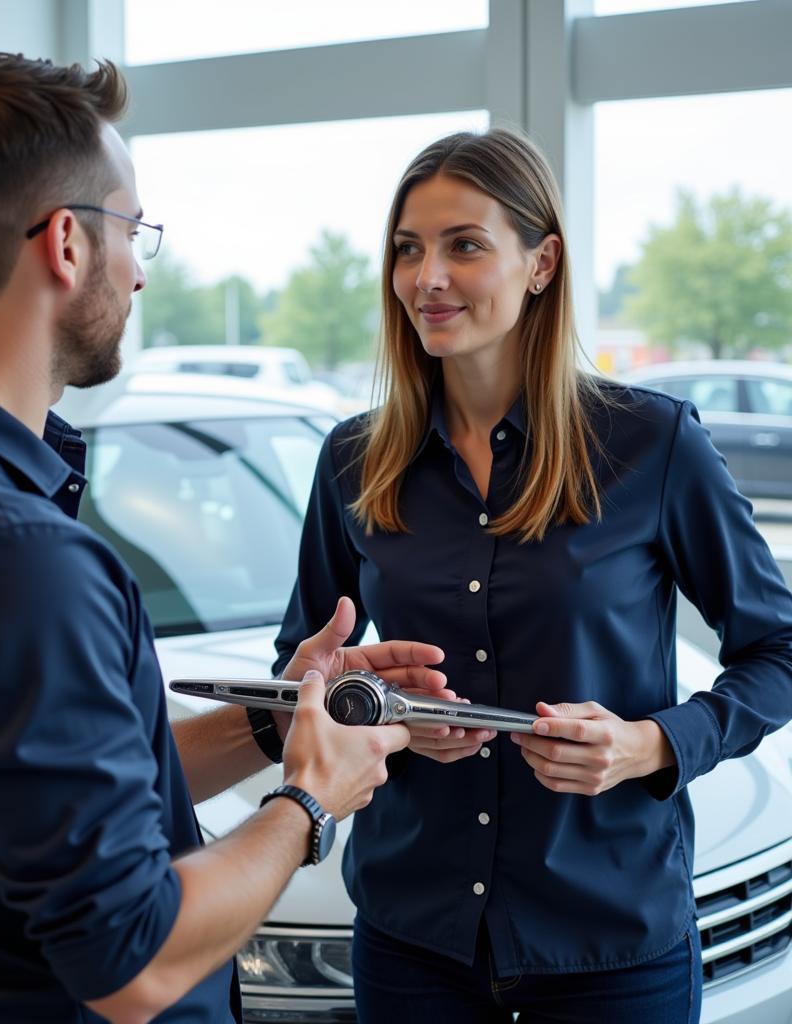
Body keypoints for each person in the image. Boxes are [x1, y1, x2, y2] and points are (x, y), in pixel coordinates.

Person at [0, 53, 449, 1024]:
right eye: (132, 230)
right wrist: (311, 798)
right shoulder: (19, 559)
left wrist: (278, 721)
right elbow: (129, 961)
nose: (138, 269)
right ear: (65, 242)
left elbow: (47, 805)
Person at [274, 127, 792, 1023]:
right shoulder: (353, 460)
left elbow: (777, 650)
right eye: (407, 249)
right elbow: (307, 663)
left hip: (611, 942)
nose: (425, 278)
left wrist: (655, 744)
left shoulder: (652, 445)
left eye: (463, 245)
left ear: (542, 262)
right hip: (412, 939)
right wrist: (386, 720)